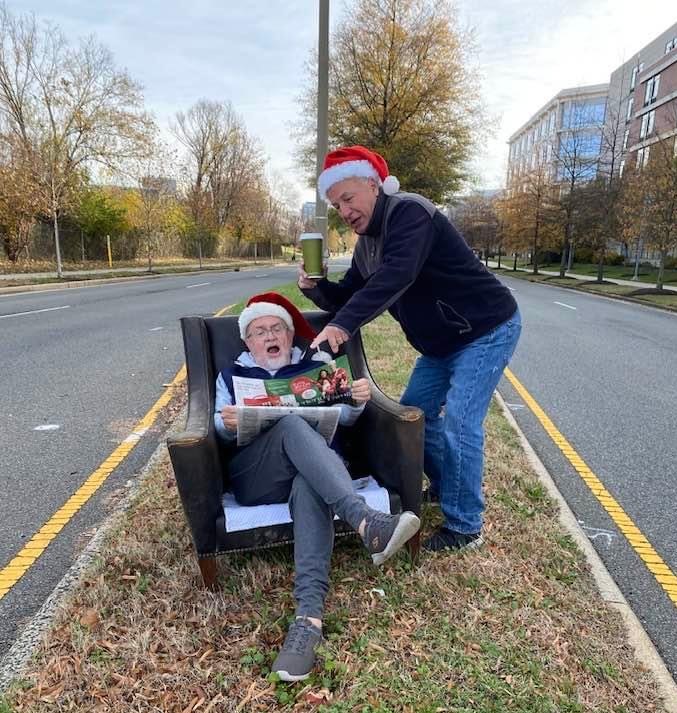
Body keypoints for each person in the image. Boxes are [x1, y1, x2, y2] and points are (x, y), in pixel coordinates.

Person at [298, 145, 521, 554]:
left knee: (459, 422)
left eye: (348, 198)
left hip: (485, 329)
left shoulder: (410, 212)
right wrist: (316, 289)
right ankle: (445, 484)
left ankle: (465, 526)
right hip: (440, 346)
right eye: (336, 205)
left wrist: (343, 325)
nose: (344, 211)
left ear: (372, 184)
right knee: (415, 417)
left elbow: (397, 275)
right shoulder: (366, 244)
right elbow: (350, 294)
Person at [213, 291, 420, 682]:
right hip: (257, 476)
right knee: (292, 423)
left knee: (309, 483)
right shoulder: (233, 374)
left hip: (313, 472)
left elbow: (343, 414)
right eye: (260, 331)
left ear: (290, 336)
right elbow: (217, 430)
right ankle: (366, 520)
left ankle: (307, 622)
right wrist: (226, 423)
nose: (270, 335)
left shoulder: (315, 366)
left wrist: (357, 400)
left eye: (277, 328)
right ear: (248, 341)